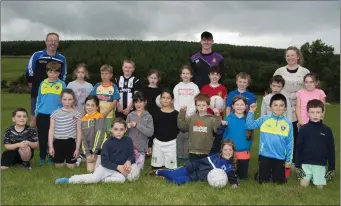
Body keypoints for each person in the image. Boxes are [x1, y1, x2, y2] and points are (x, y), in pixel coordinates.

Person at [55, 118, 140, 184]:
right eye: (116, 129)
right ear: (111, 130)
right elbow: (104, 162)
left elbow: (131, 155)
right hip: (106, 167)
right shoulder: (108, 143)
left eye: (121, 129)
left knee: (121, 179)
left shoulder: (128, 140)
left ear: (125, 130)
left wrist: (129, 161)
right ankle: (70, 180)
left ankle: (103, 180)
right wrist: (118, 167)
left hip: (117, 170)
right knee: (94, 178)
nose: (119, 132)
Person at [273, 46, 310, 166]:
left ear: (298, 56)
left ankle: (295, 161)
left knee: (297, 136)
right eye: (287, 55)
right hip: (282, 108)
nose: (290, 58)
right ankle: (280, 158)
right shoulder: (279, 71)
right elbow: (274, 87)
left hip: (299, 108)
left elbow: (308, 89)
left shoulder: (304, 72)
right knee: (281, 134)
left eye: (292, 55)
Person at [149, 139, 239, 188]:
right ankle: (158, 172)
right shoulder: (216, 157)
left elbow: (232, 175)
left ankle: (163, 178)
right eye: (225, 150)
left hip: (196, 176)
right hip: (192, 167)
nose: (228, 152)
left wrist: (235, 184)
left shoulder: (230, 165)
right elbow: (200, 163)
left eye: (230, 150)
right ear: (221, 151)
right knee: (173, 174)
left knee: (177, 181)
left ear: (233, 151)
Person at [246, 93, 293, 184]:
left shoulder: (288, 124)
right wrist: (251, 112)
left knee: (279, 182)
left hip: (280, 157)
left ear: (285, 108)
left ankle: (276, 174)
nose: (278, 108)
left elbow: (290, 142)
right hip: (265, 155)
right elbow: (249, 125)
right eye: (275, 105)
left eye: (281, 105)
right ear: (270, 107)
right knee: (262, 181)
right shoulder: (264, 119)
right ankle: (261, 174)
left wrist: (288, 160)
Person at [25, 32, 67, 128]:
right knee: (34, 122)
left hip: (55, 95)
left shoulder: (61, 58)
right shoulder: (37, 55)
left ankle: (52, 143)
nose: (53, 43)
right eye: (50, 41)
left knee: (55, 122)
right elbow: (29, 70)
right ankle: (34, 143)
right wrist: (32, 83)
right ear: (46, 42)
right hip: (37, 93)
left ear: (58, 43)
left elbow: (63, 75)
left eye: (55, 41)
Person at [295, 99, 335, 189]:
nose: (315, 115)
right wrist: (298, 166)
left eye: (318, 112)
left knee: (319, 187)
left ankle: (317, 178)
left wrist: (331, 167)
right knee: (303, 186)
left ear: (322, 113)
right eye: (312, 112)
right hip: (305, 164)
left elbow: (331, 149)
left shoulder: (327, 130)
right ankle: (309, 178)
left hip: (320, 164)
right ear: (307, 113)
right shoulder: (303, 129)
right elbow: (298, 148)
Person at [177, 93, 226, 161]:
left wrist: (217, 116)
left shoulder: (212, 118)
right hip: (193, 151)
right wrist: (182, 113)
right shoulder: (192, 118)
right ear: (196, 106)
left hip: (207, 151)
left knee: (204, 170)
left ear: (208, 106)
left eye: (203, 105)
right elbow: (182, 127)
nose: (201, 107)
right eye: (199, 105)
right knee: (194, 170)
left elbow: (217, 130)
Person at [35, 61, 66, 166]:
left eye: (55, 72)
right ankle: (42, 156)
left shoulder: (62, 84)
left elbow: (64, 100)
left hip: (56, 115)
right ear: (47, 72)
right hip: (42, 114)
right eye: (50, 72)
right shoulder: (43, 83)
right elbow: (39, 99)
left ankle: (52, 157)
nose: (53, 74)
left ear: (59, 73)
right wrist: (37, 112)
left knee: (54, 137)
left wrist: (60, 111)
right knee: (42, 136)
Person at [48, 89, 82, 169]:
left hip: (70, 142)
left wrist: (77, 149)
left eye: (70, 99)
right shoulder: (55, 114)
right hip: (58, 142)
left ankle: (78, 159)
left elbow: (79, 132)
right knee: (59, 166)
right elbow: (51, 130)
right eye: (65, 99)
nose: (67, 102)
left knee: (71, 167)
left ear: (73, 100)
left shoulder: (77, 114)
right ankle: (62, 159)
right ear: (61, 100)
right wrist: (51, 147)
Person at [173, 65, 200, 162]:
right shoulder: (177, 87)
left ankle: (187, 156)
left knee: (189, 136)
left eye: (188, 73)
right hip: (180, 114)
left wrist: (189, 113)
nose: (185, 75)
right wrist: (182, 113)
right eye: (183, 73)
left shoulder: (194, 87)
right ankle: (179, 155)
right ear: (181, 75)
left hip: (191, 115)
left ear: (191, 75)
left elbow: (196, 102)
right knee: (180, 136)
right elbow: (175, 101)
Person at [222, 96, 252, 179]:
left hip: (243, 152)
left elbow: (251, 137)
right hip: (230, 152)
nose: (239, 107)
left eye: (242, 104)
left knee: (243, 177)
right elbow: (223, 135)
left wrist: (248, 148)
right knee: (229, 175)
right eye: (237, 104)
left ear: (246, 106)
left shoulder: (248, 120)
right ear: (233, 106)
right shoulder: (228, 119)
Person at [200, 65, 227, 154]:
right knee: (206, 140)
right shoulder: (204, 88)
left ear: (220, 76)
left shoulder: (223, 88)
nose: (214, 76)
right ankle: (205, 157)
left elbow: (224, 105)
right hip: (206, 118)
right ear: (209, 76)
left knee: (217, 141)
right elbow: (201, 104)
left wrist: (219, 110)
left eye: (217, 74)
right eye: (212, 74)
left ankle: (216, 157)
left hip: (218, 119)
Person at [149, 90, 179, 170]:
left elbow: (178, 129)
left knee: (170, 168)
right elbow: (152, 130)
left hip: (171, 143)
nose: (165, 100)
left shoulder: (176, 114)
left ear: (172, 100)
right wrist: (150, 144)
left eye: (168, 98)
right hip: (157, 143)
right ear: (160, 99)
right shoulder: (154, 113)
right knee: (156, 168)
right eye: (163, 97)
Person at [126, 92, 154, 170]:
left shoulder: (148, 116)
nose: (138, 104)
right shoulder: (130, 115)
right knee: (129, 168)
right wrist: (126, 127)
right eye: (136, 102)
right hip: (130, 148)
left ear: (145, 102)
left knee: (138, 169)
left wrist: (137, 125)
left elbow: (150, 133)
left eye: (140, 102)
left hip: (141, 149)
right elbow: (124, 131)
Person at [90, 64, 120, 132]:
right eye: (102, 74)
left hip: (109, 115)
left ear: (111, 75)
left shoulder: (114, 87)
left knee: (109, 133)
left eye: (106, 74)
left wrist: (106, 113)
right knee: (98, 133)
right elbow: (91, 99)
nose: (104, 75)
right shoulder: (97, 85)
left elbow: (114, 102)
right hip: (97, 115)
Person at [81, 95, 107, 173]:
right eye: (88, 105)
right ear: (85, 106)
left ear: (97, 107)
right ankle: (83, 157)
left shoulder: (100, 117)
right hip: (89, 150)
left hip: (99, 149)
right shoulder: (83, 119)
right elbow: (83, 138)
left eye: (93, 105)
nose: (90, 107)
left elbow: (99, 136)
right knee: (90, 170)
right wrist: (87, 153)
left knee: (96, 170)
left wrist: (94, 152)